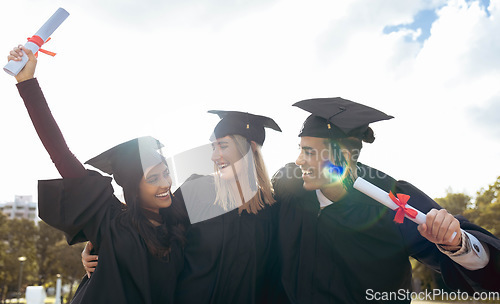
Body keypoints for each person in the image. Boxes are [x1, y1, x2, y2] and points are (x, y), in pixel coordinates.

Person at [273, 97, 500, 303]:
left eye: (309, 152)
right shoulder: (290, 190)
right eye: (300, 150)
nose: (299, 160)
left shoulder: (390, 200)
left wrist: (456, 243)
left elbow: (474, 260)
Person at [8, 45, 189, 304]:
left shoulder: (180, 218)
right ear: (132, 187)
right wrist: (27, 82)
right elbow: (61, 154)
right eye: (153, 178)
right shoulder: (111, 221)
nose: (166, 184)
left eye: (166, 173)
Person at [83, 110, 288, 303]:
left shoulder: (272, 210)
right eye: (213, 147)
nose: (214, 156)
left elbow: (273, 277)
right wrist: (97, 246)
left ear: (250, 148)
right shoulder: (197, 191)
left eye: (223, 146)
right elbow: (147, 223)